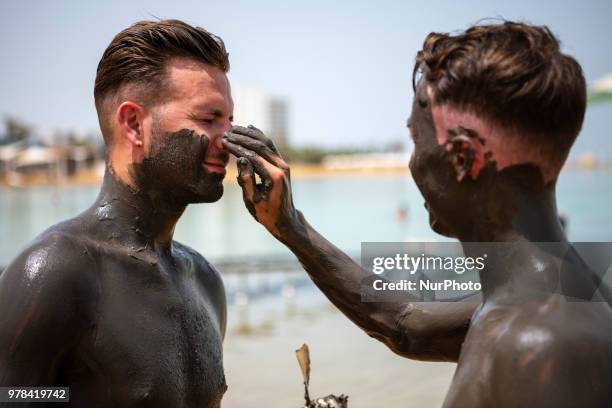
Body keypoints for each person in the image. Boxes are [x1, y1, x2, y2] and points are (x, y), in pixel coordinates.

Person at [223, 21, 612, 406]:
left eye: (416, 139)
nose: (412, 162)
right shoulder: (558, 291)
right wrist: (289, 226)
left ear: (462, 157)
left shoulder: (540, 348)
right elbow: (405, 323)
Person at [0, 20, 232, 407]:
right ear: (134, 124)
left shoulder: (204, 281)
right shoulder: (55, 273)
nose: (229, 141)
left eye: (229, 120)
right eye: (209, 120)